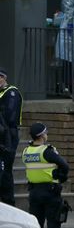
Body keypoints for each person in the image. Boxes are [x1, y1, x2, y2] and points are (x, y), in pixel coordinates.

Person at [22, 123, 69, 228]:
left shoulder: (26, 151)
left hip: (34, 192)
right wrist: (61, 177)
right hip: (50, 192)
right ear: (42, 135)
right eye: (46, 133)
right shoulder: (47, 151)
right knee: (53, 223)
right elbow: (65, 166)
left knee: (36, 224)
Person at [0, 68, 22, 206]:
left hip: (8, 135)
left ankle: (8, 202)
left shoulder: (11, 92)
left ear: (3, 78)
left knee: (5, 170)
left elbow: (10, 115)